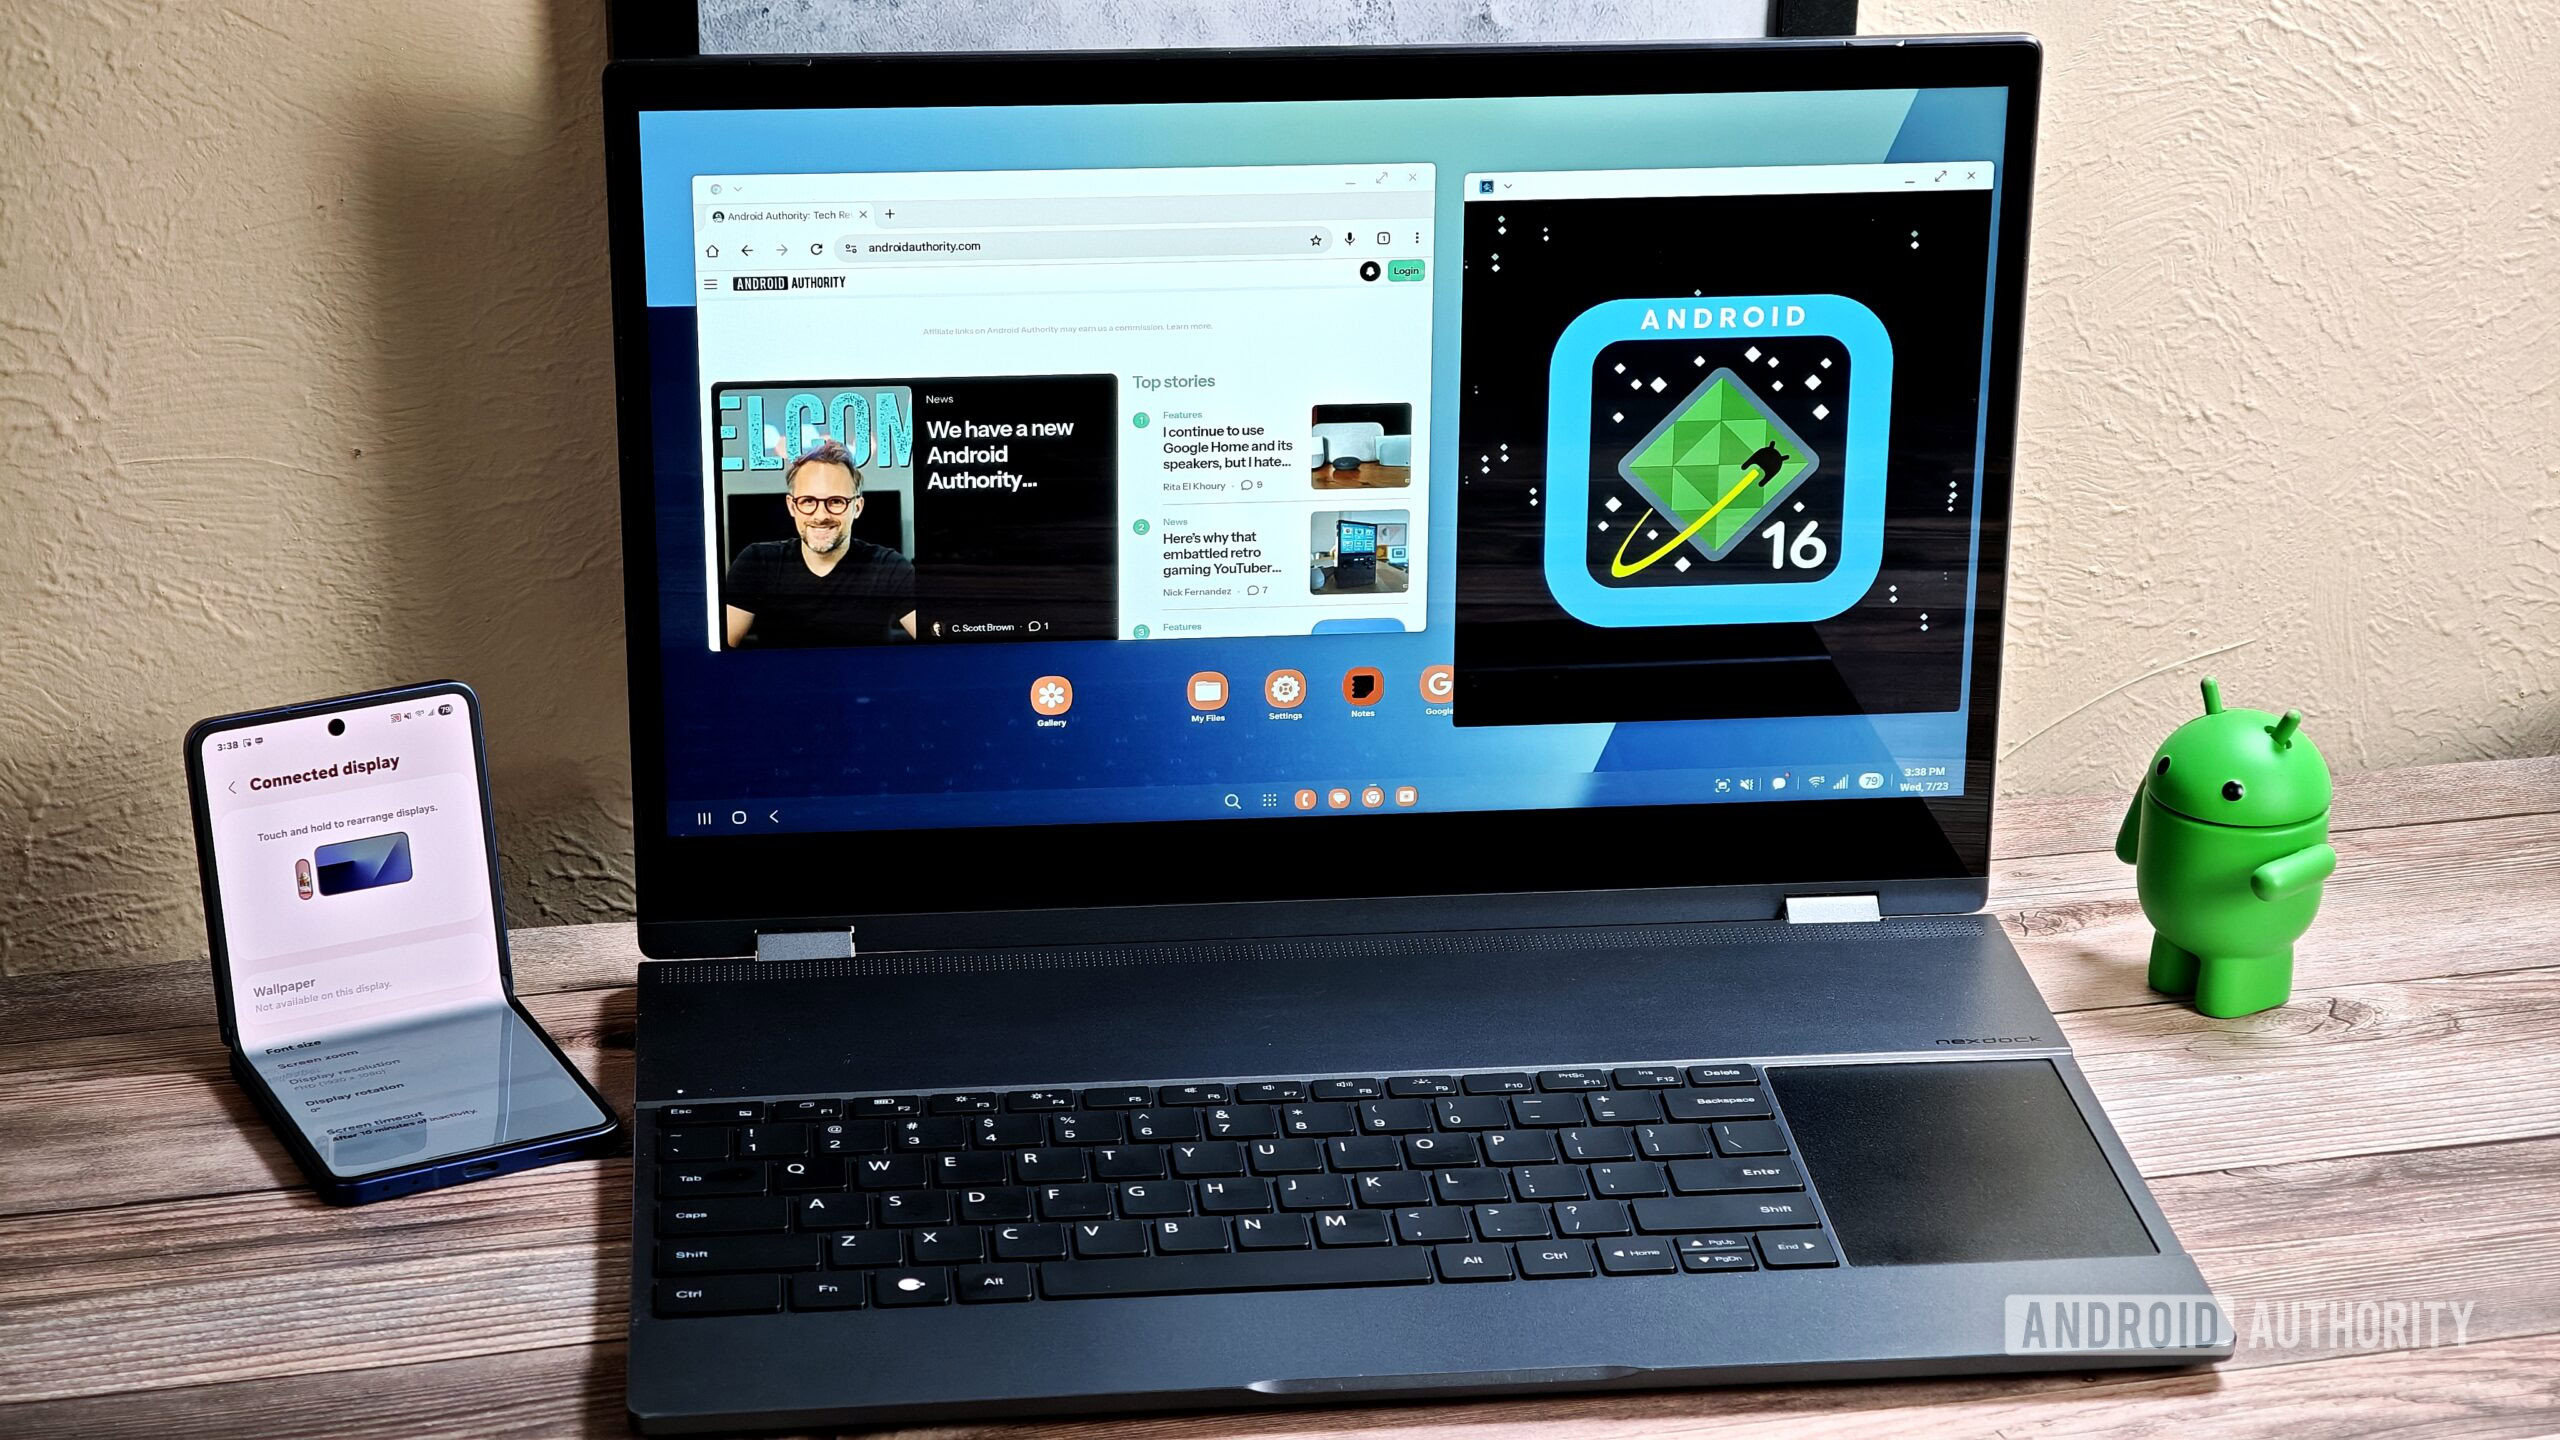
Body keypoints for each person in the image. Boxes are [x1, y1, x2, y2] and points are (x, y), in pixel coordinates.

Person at [723, 439, 917, 647]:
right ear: (791, 506)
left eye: (836, 501)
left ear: (857, 507)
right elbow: (717, 653)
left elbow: (936, 638)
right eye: (808, 501)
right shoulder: (757, 563)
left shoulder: (889, 567)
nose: (821, 516)